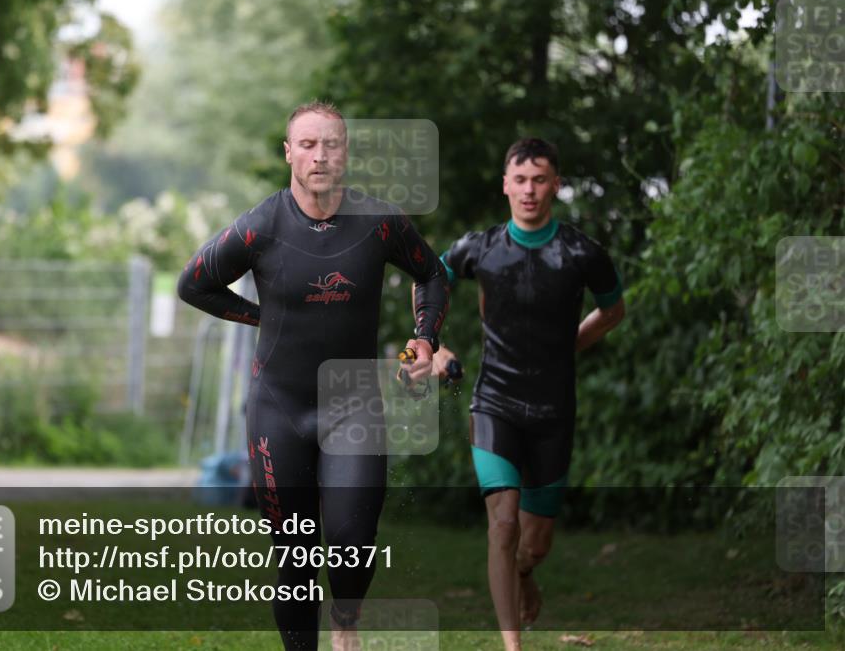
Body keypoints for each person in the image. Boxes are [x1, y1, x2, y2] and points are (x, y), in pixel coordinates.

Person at [178, 101, 449, 651]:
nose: (320, 155)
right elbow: (193, 285)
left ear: (346, 153)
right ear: (288, 153)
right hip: (279, 408)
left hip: (354, 405)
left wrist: (425, 338)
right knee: (296, 559)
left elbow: (433, 273)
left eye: (331, 144)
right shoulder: (260, 226)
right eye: (307, 145)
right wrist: (259, 317)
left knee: (352, 543)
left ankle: (345, 621)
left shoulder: (380, 222)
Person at [431, 138, 625, 651]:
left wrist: (568, 347)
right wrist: (429, 344)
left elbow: (613, 310)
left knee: (533, 544)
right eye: (520, 180)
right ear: (505, 186)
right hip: (494, 402)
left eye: (540, 180)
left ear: (555, 185)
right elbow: (430, 281)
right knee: (504, 523)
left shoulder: (583, 253)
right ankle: (511, 646)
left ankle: (524, 573)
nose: (530, 190)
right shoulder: (482, 247)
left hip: (554, 413)